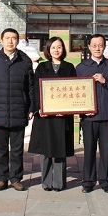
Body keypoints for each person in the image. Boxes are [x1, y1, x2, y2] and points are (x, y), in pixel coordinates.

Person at [0, 28, 34, 191]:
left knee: (17, 149)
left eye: (14, 38)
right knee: (1, 149)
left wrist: (31, 107)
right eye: (7, 38)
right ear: (1, 40)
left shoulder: (24, 60)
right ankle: (2, 178)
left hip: (19, 109)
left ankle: (16, 178)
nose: (10, 41)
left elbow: (30, 87)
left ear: (18, 41)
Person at [76, 34, 108, 194]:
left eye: (101, 45)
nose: (97, 48)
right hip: (88, 116)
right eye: (94, 45)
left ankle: (106, 181)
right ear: (89, 47)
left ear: (105, 47)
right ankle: (88, 182)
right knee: (89, 150)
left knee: (106, 151)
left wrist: (105, 81)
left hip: (107, 114)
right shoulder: (81, 67)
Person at [28, 36, 76, 192]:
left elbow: (72, 91)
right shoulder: (42, 67)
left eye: (59, 47)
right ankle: (46, 182)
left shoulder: (69, 67)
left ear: (63, 49)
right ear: (48, 50)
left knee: (60, 149)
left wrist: (66, 110)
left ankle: (59, 183)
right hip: (45, 116)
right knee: (45, 150)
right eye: (53, 47)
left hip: (63, 117)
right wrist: (39, 109)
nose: (56, 50)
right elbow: (36, 90)